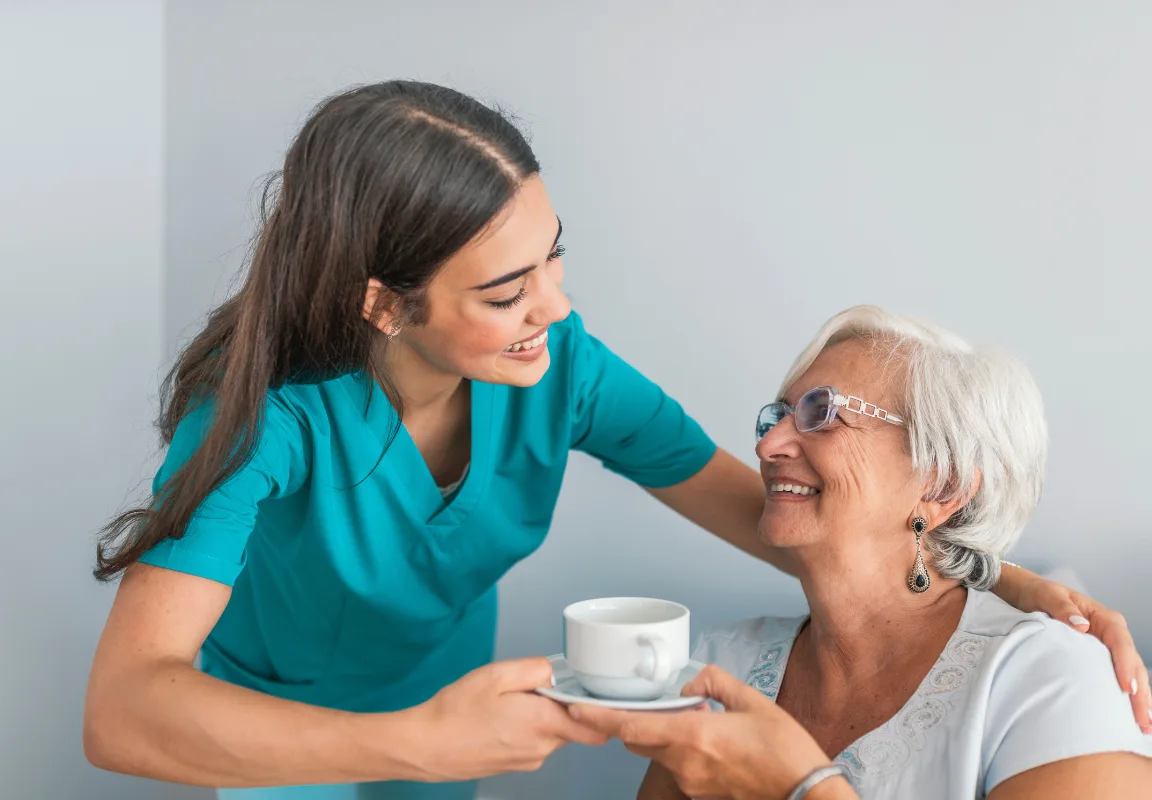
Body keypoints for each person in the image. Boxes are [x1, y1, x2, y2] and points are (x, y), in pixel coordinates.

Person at [82, 82, 1142, 800]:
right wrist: (421, 736)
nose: (557, 304)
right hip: (271, 733)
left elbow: (781, 513)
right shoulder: (264, 416)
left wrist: (1000, 581)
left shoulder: (561, 366)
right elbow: (125, 709)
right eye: (508, 292)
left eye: (553, 258)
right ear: (386, 305)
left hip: (452, 726)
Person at [573, 305, 1152, 800]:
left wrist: (805, 786)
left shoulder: (1050, 677)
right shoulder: (722, 664)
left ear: (943, 484)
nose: (767, 444)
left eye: (822, 413)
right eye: (777, 417)